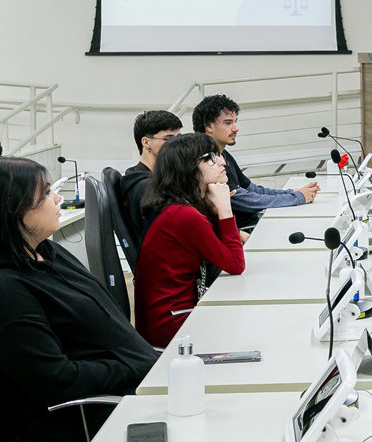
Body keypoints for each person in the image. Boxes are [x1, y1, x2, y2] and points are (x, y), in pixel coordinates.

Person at [0, 157, 158, 442]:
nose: (57, 199)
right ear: (15, 210)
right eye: (46, 193)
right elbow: (59, 381)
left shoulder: (46, 253)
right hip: (84, 422)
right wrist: (131, 366)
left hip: (124, 392)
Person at [134, 133, 246, 348]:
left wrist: (215, 212)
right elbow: (235, 264)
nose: (222, 162)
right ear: (189, 168)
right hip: (174, 326)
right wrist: (224, 209)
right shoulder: (184, 215)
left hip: (172, 318)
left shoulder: (178, 207)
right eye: (210, 158)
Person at [192, 94, 317, 230]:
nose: (236, 128)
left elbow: (252, 189)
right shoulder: (206, 162)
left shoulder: (223, 154)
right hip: (243, 231)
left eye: (235, 121)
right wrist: (297, 197)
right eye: (228, 123)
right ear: (209, 126)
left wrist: (290, 193)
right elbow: (246, 200)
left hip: (251, 225)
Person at [118, 109, 182, 238]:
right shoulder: (144, 187)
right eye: (168, 139)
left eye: (179, 139)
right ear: (146, 142)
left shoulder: (150, 178)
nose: (177, 145)